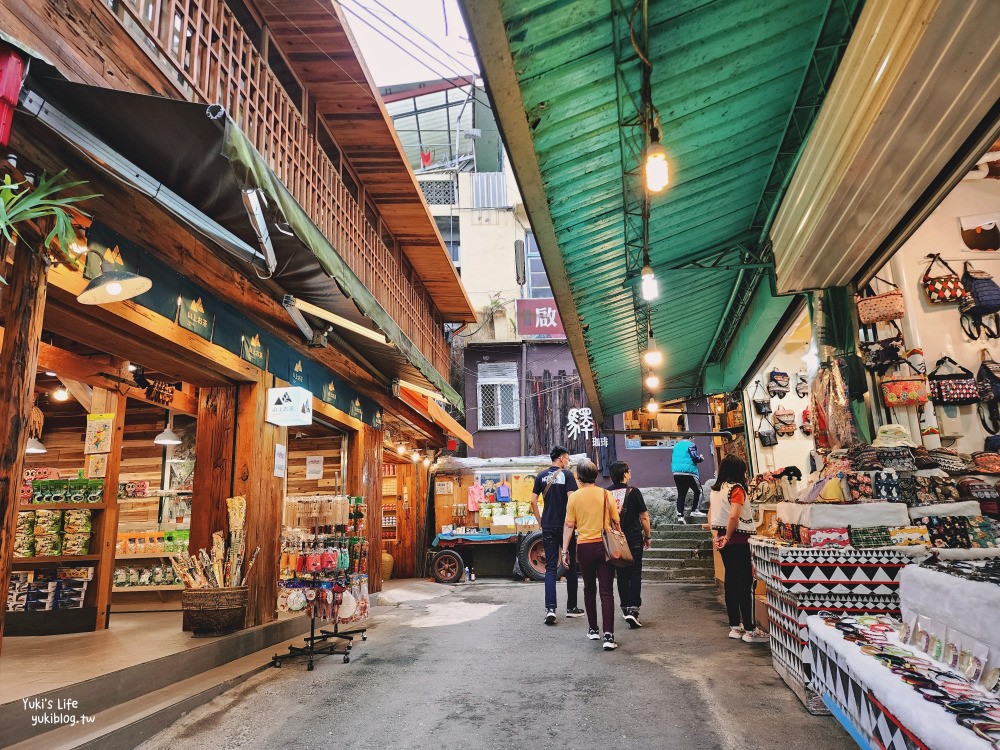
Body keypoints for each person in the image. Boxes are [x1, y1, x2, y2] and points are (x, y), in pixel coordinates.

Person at [562, 459, 621, 650]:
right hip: (604, 545)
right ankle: (609, 636)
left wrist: (564, 551)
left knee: (589, 588)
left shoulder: (574, 497)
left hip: (584, 547)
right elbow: (616, 521)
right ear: (595, 476)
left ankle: (593, 629)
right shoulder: (606, 494)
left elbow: (569, 525)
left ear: (579, 478)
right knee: (606, 591)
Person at [709, 455, 767, 643]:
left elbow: (711, 514)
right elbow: (734, 516)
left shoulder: (715, 489)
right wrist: (728, 536)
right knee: (745, 584)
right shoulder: (737, 489)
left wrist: (717, 536)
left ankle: (735, 626)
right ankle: (750, 629)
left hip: (723, 540)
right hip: (739, 540)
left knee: (731, 582)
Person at [531, 446, 582, 624]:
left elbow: (533, 501)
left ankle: (551, 609)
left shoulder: (540, 476)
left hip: (548, 525)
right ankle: (572, 607)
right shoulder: (567, 475)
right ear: (560, 458)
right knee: (571, 565)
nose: (567, 461)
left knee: (551, 567)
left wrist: (540, 521)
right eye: (567, 458)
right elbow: (572, 498)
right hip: (566, 526)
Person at [607, 461, 651, 628]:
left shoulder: (606, 493)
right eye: (628, 470)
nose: (630, 472)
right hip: (633, 539)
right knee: (635, 573)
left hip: (615, 540)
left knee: (622, 574)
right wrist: (647, 536)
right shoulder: (633, 491)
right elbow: (644, 517)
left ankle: (625, 608)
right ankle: (634, 610)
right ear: (624, 474)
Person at [671, 437, 704, 523]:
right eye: (693, 438)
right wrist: (701, 458)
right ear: (690, 438)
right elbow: (694, 457)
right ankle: (695, 511)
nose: (693, 439)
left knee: (681, 494)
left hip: (676, 473)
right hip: (689, 472)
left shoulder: (676, 446)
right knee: (699, 491)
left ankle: (680, 516)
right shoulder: (691, 445)